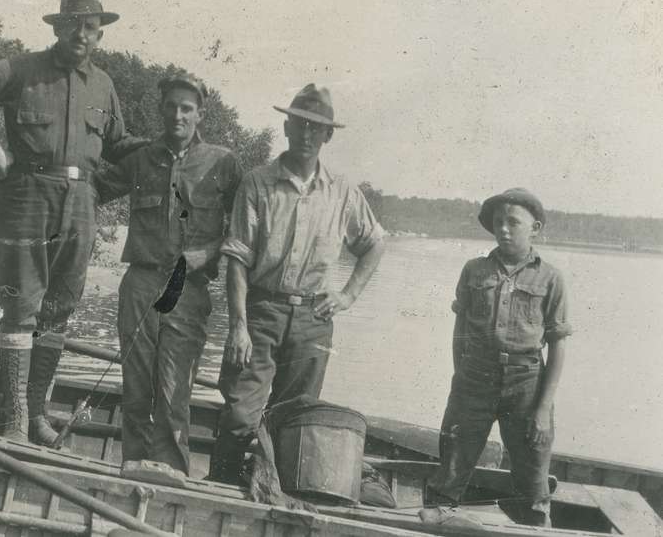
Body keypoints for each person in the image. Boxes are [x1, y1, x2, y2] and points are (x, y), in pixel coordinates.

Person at [0, 0, 147, 446]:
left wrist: (145, 163)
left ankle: (36, 416)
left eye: (90, 28)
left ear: (100, 35)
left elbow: (118, 145)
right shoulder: (23, 69)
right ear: (58, 27)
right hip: (27, 198)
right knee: (21, 307)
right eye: (72, 25)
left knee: (58, 312)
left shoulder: (104, 85)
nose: (81, 35)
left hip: (80, 207)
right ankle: (13, 421)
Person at [209, 83, 386, 503]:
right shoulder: (257, 184)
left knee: (293, 421)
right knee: (239, 415)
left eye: (317, 128)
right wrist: (238, 325)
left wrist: (347, 296)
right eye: (300, 124)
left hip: (313, 322)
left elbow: (375, 243)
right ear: (286, 127)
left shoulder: (343, 192)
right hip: (261, 312)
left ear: (328, 136)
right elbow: (236, 257)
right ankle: (217, 497)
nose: (307, 134)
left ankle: (276, 504)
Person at [96, 73, 242, 483]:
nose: (178, 115)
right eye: (171, 106)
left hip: (188, 290)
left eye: (187, 108)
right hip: (140, 284)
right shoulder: (141, 158)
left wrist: (207, 252)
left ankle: (170, 478)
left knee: (175, 393)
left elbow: (245, 228)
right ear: (161, 109)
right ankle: (131, 475)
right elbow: (92, 191)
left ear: (200, 114)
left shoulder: (223, 163)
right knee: (136, 391)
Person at [420, 188, 571, 528]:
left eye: (513, 222)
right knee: (453, 466)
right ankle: (436, 520)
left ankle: (532, 525)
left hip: (526, 384)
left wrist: (543, 408)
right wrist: (462, 379)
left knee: (533, 478)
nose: (503, 229)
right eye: (498, 222)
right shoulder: (474, 270)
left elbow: (558, 345)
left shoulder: (551, 278)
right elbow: (459, 331)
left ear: (535, 228)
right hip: (474, 378)